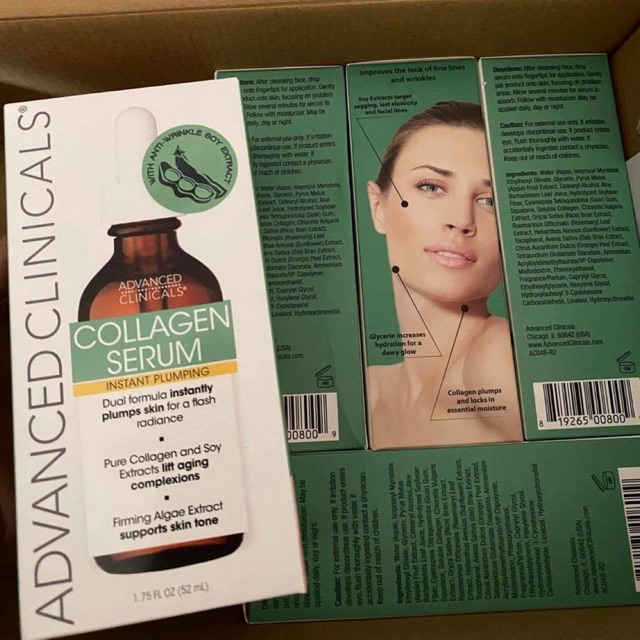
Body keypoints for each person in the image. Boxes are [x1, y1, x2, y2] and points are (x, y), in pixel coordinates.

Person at [366, 101, 522, 449]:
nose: (462, 220)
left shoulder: (497, 360)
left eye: (490, 200)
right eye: (431, 187)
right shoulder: (368, 390)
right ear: (378, 207)